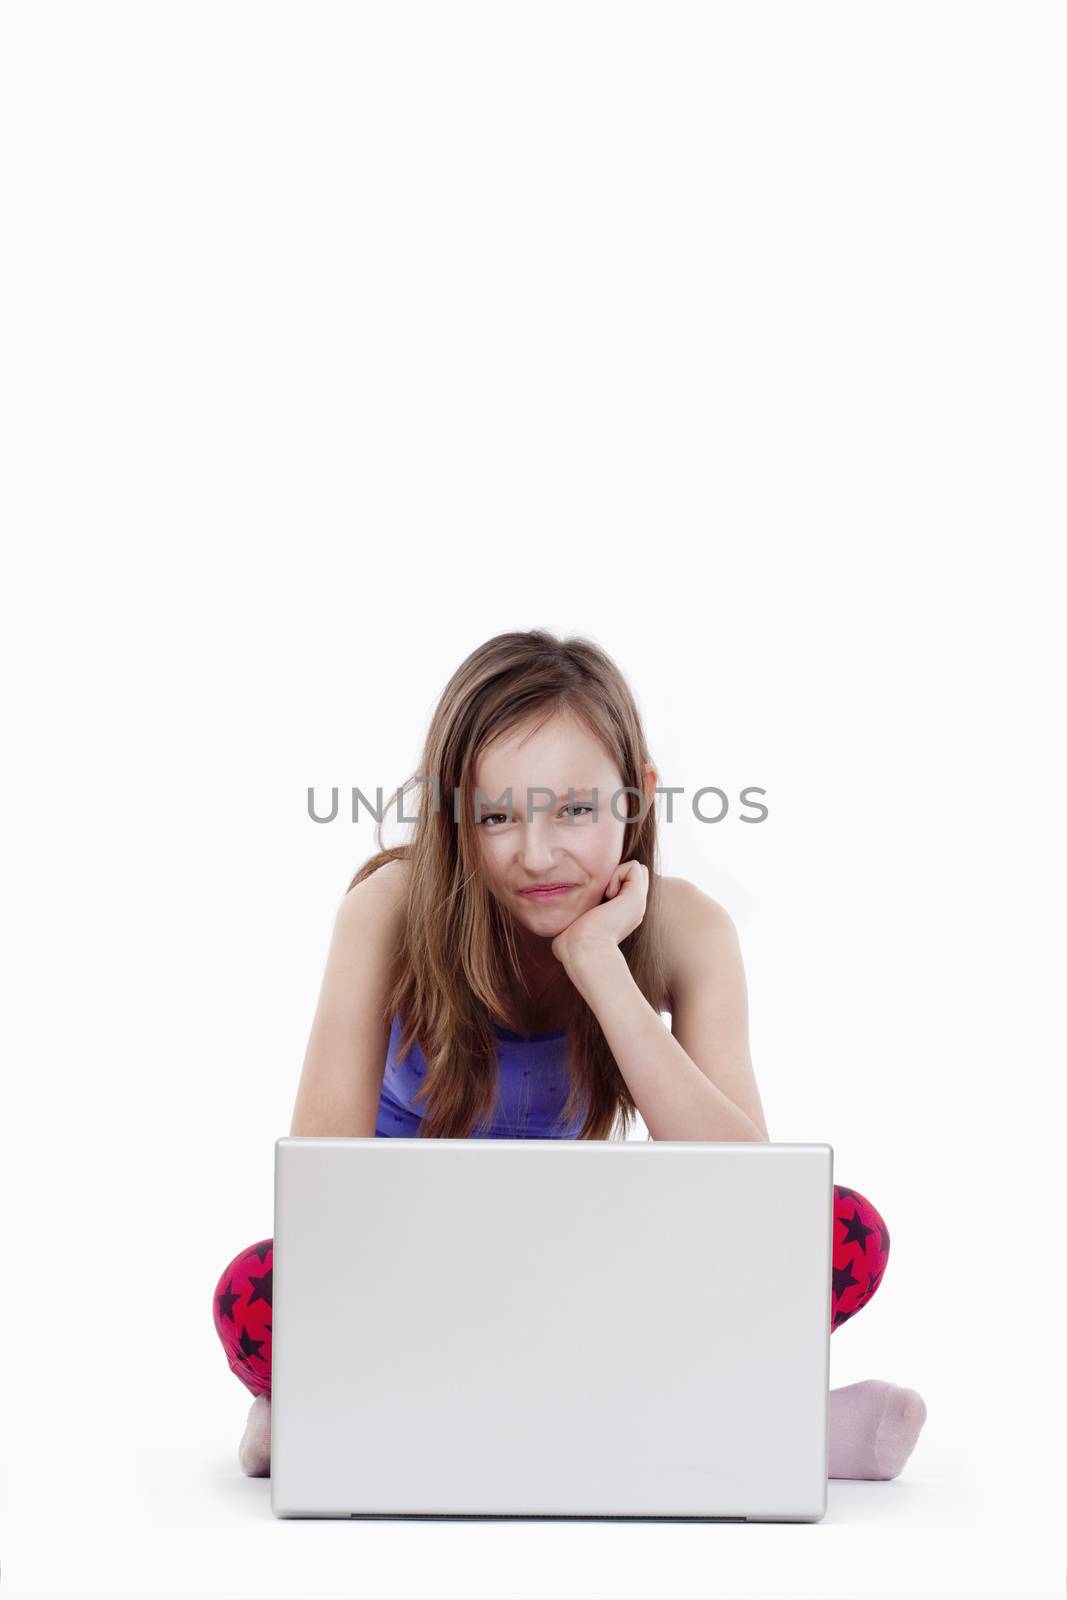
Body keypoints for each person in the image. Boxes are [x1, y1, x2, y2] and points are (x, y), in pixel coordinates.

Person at [213, 628, 928, 1480]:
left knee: (839, 1231)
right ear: (452, 813)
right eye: (495, 817)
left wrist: (599, 967)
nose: (537, 854)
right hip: (417, 1284)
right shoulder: (389, 911)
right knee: (258, 1290)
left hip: (590, 1285)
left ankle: (367, 1423)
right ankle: (723, 1426)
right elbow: (321, 1190)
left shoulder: (688, 930)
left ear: (637, 798)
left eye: (577, 811)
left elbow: (747, 1200)